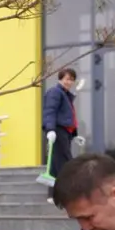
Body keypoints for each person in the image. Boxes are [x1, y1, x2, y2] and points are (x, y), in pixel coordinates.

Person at [41, 68, 84, 202]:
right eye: (67, 79)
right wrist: (50, 130)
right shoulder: (55, 92)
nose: (69, 82)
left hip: (64, 132)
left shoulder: (65, 95)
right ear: (60, 79)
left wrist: (75, 135)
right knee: (66, 163)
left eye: (71, 79)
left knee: (55, 164)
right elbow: (50, 111)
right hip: (58, 131)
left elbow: (68, 116)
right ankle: (67, 194)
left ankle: (52, 195)